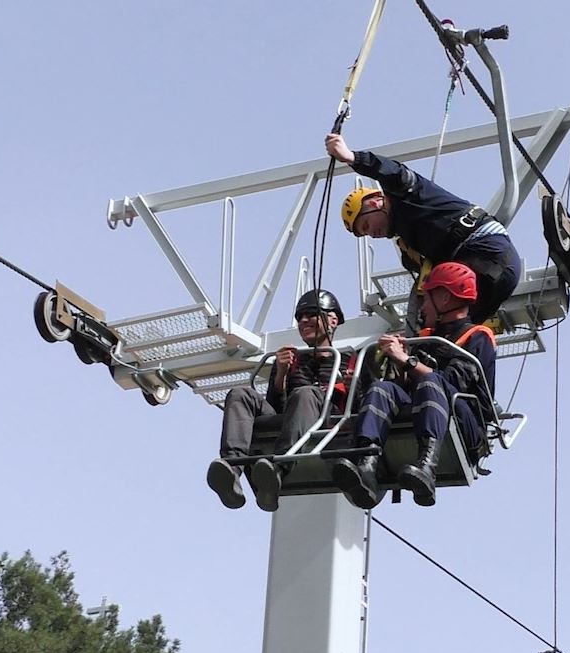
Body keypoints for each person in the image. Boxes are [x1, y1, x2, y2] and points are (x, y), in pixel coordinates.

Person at [332, 262, 496, 509]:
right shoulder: (427, 338)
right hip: (429, 405)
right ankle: (366, 463)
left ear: (443, 298)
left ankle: (427, 466)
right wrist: (398, 362)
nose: (422, 307)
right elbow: (405, 387)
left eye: (426, 299)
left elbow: (453, 382)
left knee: (431, 382)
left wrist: (406, 359)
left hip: (465, 421)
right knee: (382, 389)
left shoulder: (478, 336)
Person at [326, 133, 522, 328]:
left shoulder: (406, 194)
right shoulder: (409, 250)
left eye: (366, 225)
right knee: (448, 331)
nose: (372, 234)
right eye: (365, 233)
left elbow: (392, 171)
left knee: (439, 321)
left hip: (486, 252)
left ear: (376, 202)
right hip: (484, 269)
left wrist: (353, 158)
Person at [207, 289, 347, 512]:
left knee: (305, 393)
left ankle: (279, 467)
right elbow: (275, 405)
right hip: (293, 415)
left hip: (328, 419)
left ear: (333, 319)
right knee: (240, 393)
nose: (303, 321)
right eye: (299, 317)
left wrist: (332, 367)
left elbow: (355, 400)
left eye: (311, 314)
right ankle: (232, 468)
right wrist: (281, 372)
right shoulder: (291, 359)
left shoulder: (350, 358)